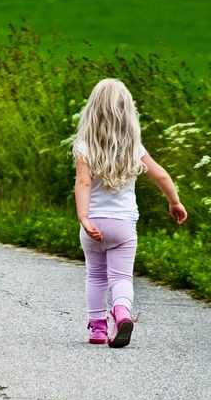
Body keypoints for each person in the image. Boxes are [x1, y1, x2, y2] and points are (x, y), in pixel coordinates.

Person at [70, 78, 188, 347]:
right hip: (123, 226)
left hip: (95, 223)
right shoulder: (134, 148)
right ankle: (122, 311)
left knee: (96, 275)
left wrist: (84, 218)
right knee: (121, 277)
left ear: (92, 111)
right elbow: (160, 175)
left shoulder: (84, 147)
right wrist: (174, 202)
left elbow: (84, 183)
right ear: (127, 113)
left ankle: (98, 329)